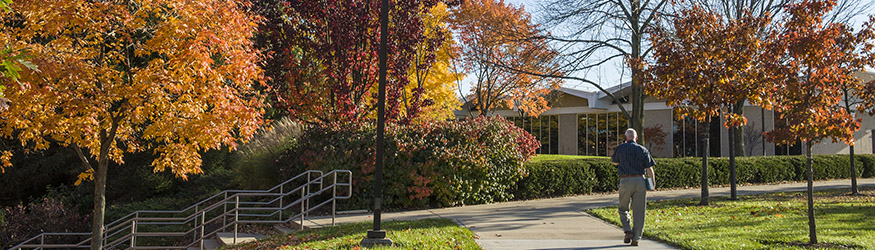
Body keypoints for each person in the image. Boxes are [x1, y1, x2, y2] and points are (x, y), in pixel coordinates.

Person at [611, 128, 656, 246]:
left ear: (626, 138)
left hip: (625, 180)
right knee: (639, 211)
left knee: (623, 207)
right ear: (636, 138)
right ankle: (636, 238)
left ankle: (627, 230)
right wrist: (652, 184)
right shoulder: (643, 149)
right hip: (640, 180)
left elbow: (615, 162)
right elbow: (649, 169)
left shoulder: (620, 148)